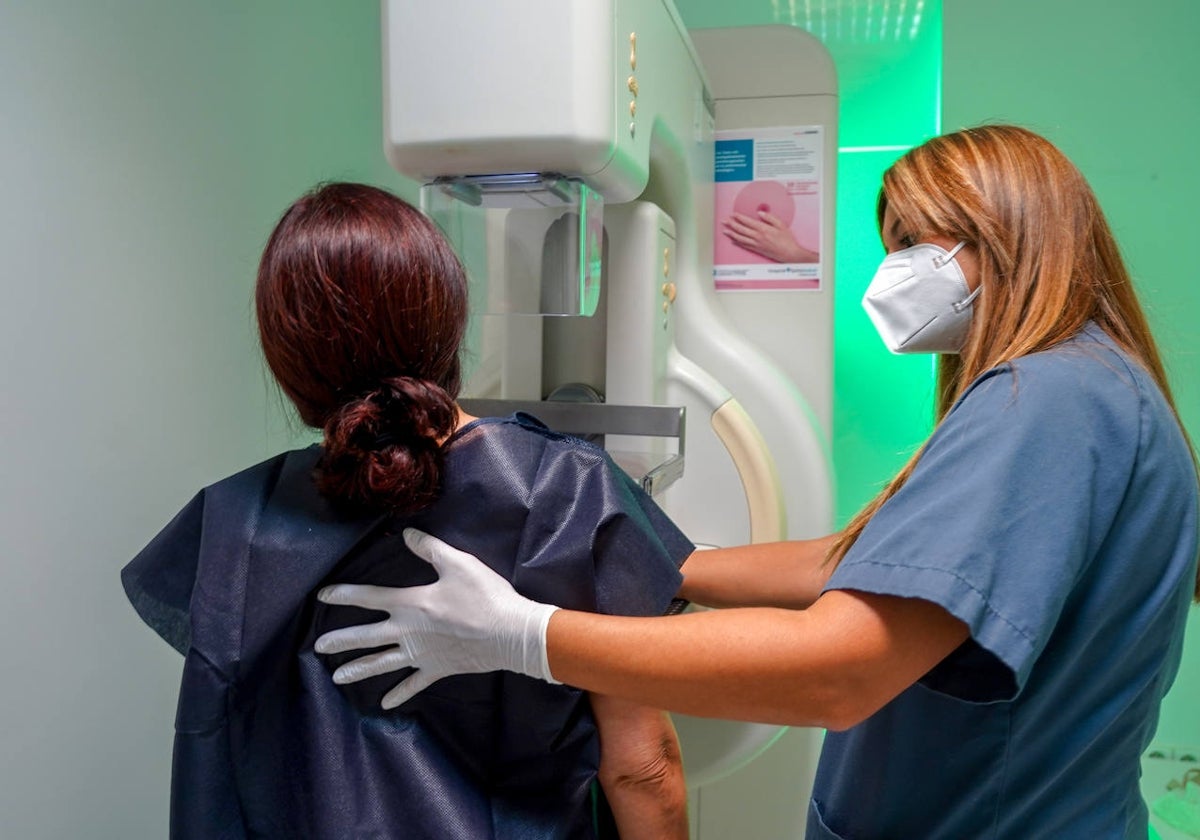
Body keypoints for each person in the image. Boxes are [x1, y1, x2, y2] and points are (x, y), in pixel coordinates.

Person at [315, 126, 1200, 839]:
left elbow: (836, 671)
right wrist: (662, 558)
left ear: (1006, 231)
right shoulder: (1098, 388)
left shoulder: (1044, 399)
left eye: (915, 242)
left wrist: (527, 634)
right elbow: (864, 562)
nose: (894, 270)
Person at [121, 182, 690, 839]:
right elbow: (642, 770)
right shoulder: (563, 491)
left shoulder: (227, 524)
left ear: (288, 357)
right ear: (447, 322)